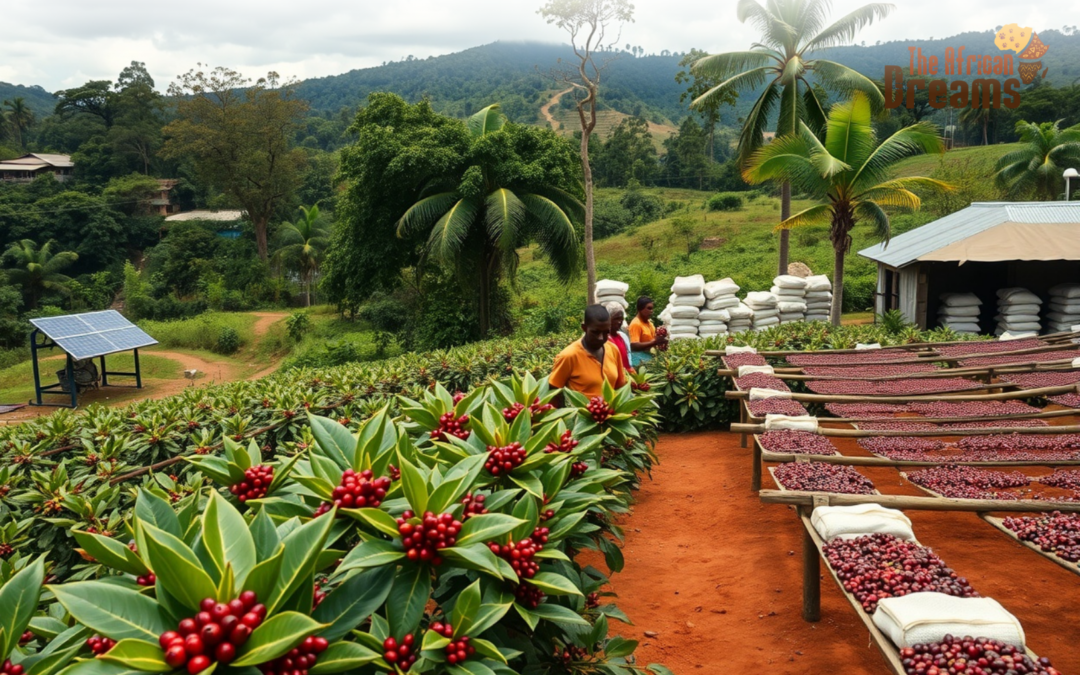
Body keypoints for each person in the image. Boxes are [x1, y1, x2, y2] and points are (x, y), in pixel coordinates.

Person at [549, 304, 627, 398]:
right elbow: (553, 391)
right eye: (595, 332)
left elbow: (620, 387)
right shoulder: (569, 356)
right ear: (584, 328)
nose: (601, 338)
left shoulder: (613, 350)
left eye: (606, 332)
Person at [629, 296, 666, 368]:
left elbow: (654, 339)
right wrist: (654, 342)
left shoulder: (650, 323)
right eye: (649, 308)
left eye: (652, 308)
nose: (651, 311)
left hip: (650, 358)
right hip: (639, 361)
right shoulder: (636, 324)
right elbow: (633, 346)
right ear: (640, 309)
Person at [604, 301, 633, 372]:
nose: (619, 322)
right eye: (616, 319)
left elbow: (628, 359)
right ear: (608, 319)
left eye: (621, 319)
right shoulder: (604, 339)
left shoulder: (623, 337)